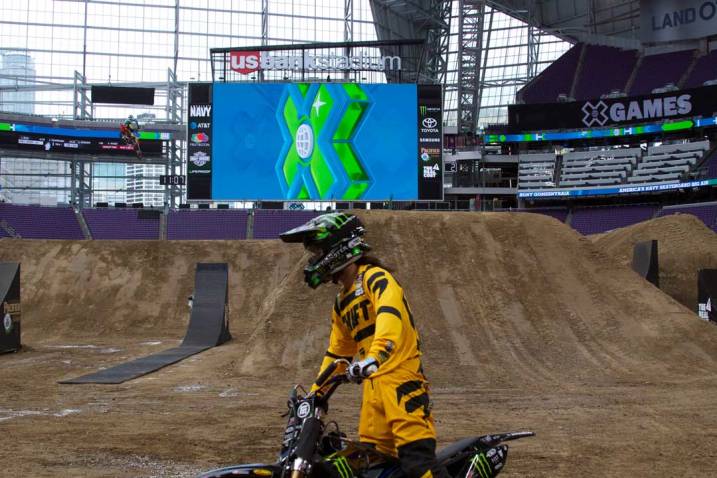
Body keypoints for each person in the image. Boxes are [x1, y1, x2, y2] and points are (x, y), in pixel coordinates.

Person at [280, 213, 443, 478]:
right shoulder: (342, 301)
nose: (314, 257)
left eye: (318, 249)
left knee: (418, 463)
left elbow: (390, 316)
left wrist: (376, 356)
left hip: (402, 383)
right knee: (370, 466)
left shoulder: (376, 278)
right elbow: (337, 352)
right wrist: (314, 394)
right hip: (372, 388)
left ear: (338, 246)